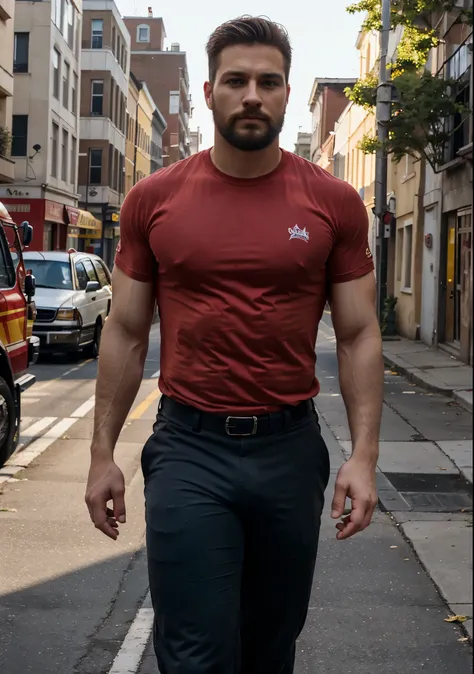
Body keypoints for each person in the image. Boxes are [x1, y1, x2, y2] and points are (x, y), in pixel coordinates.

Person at [85, 15, 383, 674]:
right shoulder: (153, 199)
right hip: (190, 449)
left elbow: (359, 333)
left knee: (269, 649)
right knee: (195, 654)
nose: (252, 94)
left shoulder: (333, 202)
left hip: (289, 451)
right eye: (236, 80)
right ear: (212, 90)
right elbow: (127, 332)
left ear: (285, 92)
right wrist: (103, 453)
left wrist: (364, 456)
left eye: (268, 82)